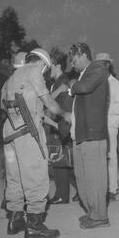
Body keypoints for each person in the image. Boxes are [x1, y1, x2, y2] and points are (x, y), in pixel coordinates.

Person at [1, 48, 71, 238]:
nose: (45, 73)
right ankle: (35, 225)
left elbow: (2, 105)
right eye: (45, 70)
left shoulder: (11, 79)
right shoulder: (33, 71)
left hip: (9, 133)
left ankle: (15, 219)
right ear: (43, 64)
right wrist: (64, 114)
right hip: (28, 133)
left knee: (14, 177)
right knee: (36, 176)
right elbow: (47, 101)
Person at [68, 42, 110, 229]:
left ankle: (100, 217)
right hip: (82, 134)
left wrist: (71, 86)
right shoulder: (84, 74)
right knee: (83, 177)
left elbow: (83, 88)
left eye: (74, 60)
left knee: (95, 178)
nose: (72, 65)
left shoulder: (98, 68)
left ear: (83, 54)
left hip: (93, 135)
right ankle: (92, 213)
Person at [45, 48, 77, 204]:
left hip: (61, 127)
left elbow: (67, 108)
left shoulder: (63, 81)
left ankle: (62, 195)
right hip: (57, 126)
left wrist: (59, 126)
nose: (46, 68)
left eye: (49, 64)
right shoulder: (57, 83)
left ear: (55, 64)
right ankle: (73, 192)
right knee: (62, 161)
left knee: (62, 161)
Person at [95, 53, 119, 201]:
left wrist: (104, 109)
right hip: (97, 126)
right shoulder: (97, 82)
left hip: (110, 126)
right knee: (99, 158)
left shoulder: (115, 83)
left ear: (107, 65)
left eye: (101, 64)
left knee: (111, 157)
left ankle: (112, 189)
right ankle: (102, 188)